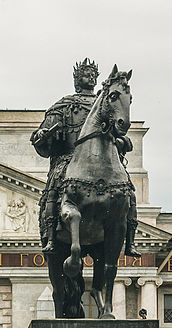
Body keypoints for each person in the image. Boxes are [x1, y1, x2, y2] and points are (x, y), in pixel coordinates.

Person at [31, 58, 139, 258]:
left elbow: (124, 137)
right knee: (54, 186)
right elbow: (43, 135)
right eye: (85, 74)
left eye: (92, 75)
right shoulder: (64, 106)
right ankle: (52, 235)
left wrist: (121, 142)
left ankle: (130, 240)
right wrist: (42, 135)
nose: (89, 77)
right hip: (69, 158)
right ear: (76, 79)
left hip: (104, 160)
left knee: (129, 192)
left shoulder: (105, 103)